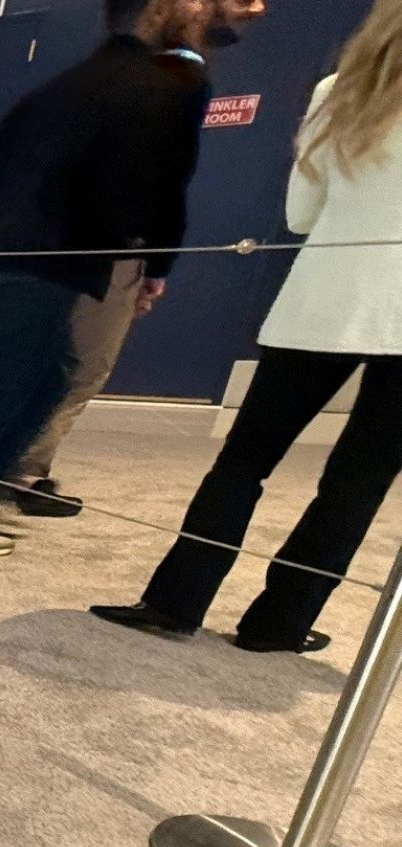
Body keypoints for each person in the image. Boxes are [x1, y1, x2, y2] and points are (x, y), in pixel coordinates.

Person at [92, 0, 402, 653]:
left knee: (245, 460)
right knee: (358, 481)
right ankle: (278, 625)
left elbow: (301, 215)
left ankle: (172, 604)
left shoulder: (342, 90)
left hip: (321, 301)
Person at [0, 0, 215, 556]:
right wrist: (159, 263)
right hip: (50, 255)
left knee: (51, 372)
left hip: (11, 250)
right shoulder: (164, 83)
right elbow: (167, 180)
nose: (200, 9)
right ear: (155, 10)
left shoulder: (66, 85)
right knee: (11, 384)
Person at [0, 0, 269, 523]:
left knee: (28, 360)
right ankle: (20, 471)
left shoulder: (99, 75)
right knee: (81, 365)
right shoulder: (176, 78)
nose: (256, 8)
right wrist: (158, 265)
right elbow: (164, 184)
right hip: (109, 245)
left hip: (49, 241)